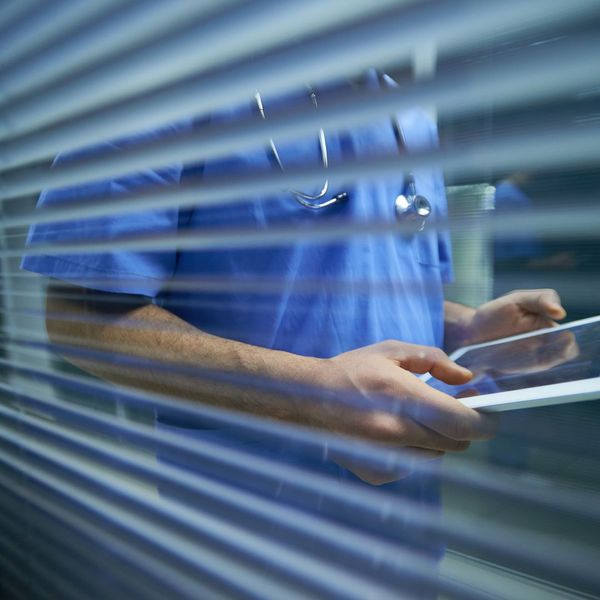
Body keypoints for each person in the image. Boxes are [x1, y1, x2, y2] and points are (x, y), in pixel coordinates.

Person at [22, 70, 566, 489]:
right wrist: (313, 395)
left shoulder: (411, 114)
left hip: (408, 533)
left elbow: (380, 285)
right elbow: (80, 318)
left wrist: (469, 329)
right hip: (246, 528)